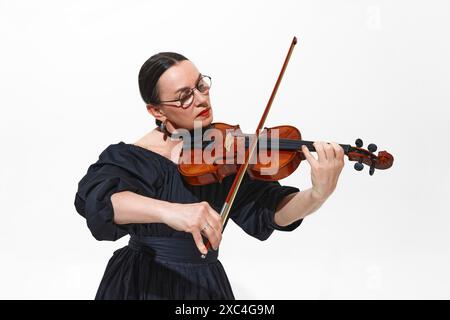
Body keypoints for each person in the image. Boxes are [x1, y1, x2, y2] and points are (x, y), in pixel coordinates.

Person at [74, 52, 345, 300]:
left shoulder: (223, 150)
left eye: (201, 85)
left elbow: (270, 211)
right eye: (184, 96)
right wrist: (171, 212)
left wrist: (317, 195)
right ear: (157, 111)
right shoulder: (132, 157)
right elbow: (98, 202)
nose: (202, 99)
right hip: (139, 282)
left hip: (202, 284)